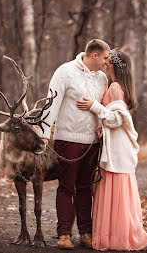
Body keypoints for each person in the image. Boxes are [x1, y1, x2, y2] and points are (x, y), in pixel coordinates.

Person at [76, 48, 147, 251]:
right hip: (115, 145)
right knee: (117, 191)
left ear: (115, 64)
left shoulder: (116, 87)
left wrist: (94, 106)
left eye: (108, 59)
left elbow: (116, 119)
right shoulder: (115, 86)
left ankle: (114, 237)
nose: (104, 62)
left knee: (114, 188)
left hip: (117, 148)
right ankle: (117, 234)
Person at [39, 39, 110, 250]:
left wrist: (100, 127)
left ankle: (86, 233)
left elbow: (101, 105)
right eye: (105, 58)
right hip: (67, 140)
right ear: (94, 55)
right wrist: (44, 133)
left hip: (92, 143)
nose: (107, 62)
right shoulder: (65, 72)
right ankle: (64, 234)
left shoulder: (102, 78)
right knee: (66, 188)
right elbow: (51, 103)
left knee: (85, 188)